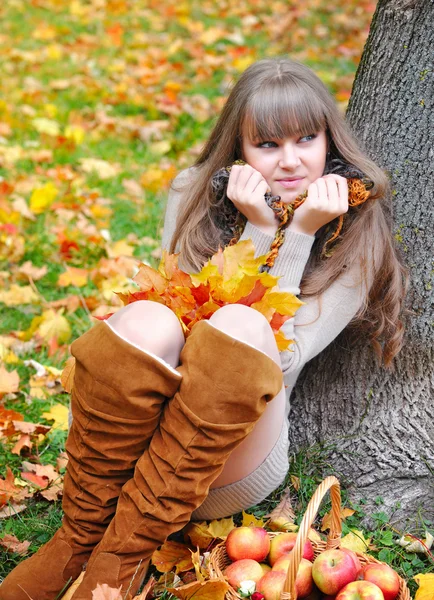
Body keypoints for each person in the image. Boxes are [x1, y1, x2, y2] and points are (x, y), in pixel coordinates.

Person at [1, 58, 406, 599]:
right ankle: (77, 540)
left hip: (225, 455)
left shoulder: (359, 237)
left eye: (306, 139)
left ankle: (124, 556)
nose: (290, 161)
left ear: (329, 140)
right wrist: (255, 227)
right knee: (149, 317)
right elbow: (184, 324)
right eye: (267, 144)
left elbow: (279, 362)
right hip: (141, 440)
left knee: (240, 324)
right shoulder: (193, 191)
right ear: (238, 147)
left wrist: (293, 233)